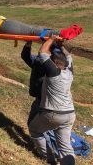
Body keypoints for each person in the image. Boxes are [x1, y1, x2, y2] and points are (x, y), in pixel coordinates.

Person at [28, 36, 75, 165]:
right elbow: (69, 55)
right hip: (69, 114)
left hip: (53, 113)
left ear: (54, 64)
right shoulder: (69, 71)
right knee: (65, 145)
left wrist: (52, 39)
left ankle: (48, 157)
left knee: (35, 130)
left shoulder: (53, 72)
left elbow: (42, 52)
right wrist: (60, 45)